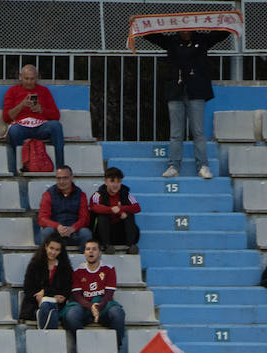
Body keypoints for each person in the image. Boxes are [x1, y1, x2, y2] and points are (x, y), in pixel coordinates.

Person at [139, 28, 227, 179]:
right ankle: (173, 166)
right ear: (178, 29)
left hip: (197, 91)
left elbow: (221, 34)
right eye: (182, 29)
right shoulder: (171, 41)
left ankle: (203, 166)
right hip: (175, 91)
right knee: (176, 133)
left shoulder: (202, 39)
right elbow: (153, 36)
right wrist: (139, 25)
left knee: (198, 132)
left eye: (189, 29)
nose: (186, 32)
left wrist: (232, 20)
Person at [2, 64, 64, 175]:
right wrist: (21, 105)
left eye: (32, 79)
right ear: (20, 76)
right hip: (21, 127)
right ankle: (21, 167)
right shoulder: (12, 91)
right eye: (26, 78)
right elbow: (6, 117)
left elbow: (56, 116)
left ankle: (60, 169)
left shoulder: (44, 91)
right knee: (14, 131)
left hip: (41, 127)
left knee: (56, 126)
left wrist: (41, 110)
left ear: (37, 77)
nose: (29, 82)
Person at [65, 240, 125, 348]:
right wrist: (91, 307)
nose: (90, 252)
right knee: (71, 315)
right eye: (88, 249)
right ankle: (83, 346)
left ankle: (116, 347)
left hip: (103, 306)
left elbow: (109, 294)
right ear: (84, 253)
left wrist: (98, 306)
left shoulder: (109, 269)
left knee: (117, 313)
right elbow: (77, 296)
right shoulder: (78, 271)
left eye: (94, 249)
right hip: (85, 307)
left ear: (100, 253)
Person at [21, 233, 72, 330]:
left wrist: (44, 293)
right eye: (51, 248)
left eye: (57, 250)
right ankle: (51, 339)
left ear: (61, 251)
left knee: (48, 307)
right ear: (45, 247)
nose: (53, 252)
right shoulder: (34, 265)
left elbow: (66, 291)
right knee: (46, 308)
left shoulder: (65, 268)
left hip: (57, 305)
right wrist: (50, 295)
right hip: (34, 305)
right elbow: (28, 289)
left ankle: (43, 333)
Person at [37, 166, 92, 248]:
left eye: (65, 178)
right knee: (46, 232)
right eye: (59, 178)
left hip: (74, 232)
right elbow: (42, 218)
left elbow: (85, 218)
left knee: (85, 233)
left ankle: (84, 260)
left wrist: (73, 228)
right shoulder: (48, 194)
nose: (61, 181)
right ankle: (46, 260)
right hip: (56, 232)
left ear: (71, 178)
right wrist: (58, 227)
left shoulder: (81, 195)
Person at [90, 167, 141, 255]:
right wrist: (112, 210)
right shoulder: (98, 194)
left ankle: (131, 246)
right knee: (103, 216)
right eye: (112, 181)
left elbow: (137, 207)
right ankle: (107, 246)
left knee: (129, 215)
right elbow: (94, 206)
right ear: (106, 182)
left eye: (118, 181)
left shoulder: (126, 194)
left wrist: (121, 209)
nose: (116, 184)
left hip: (121, 231)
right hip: (103, 232)